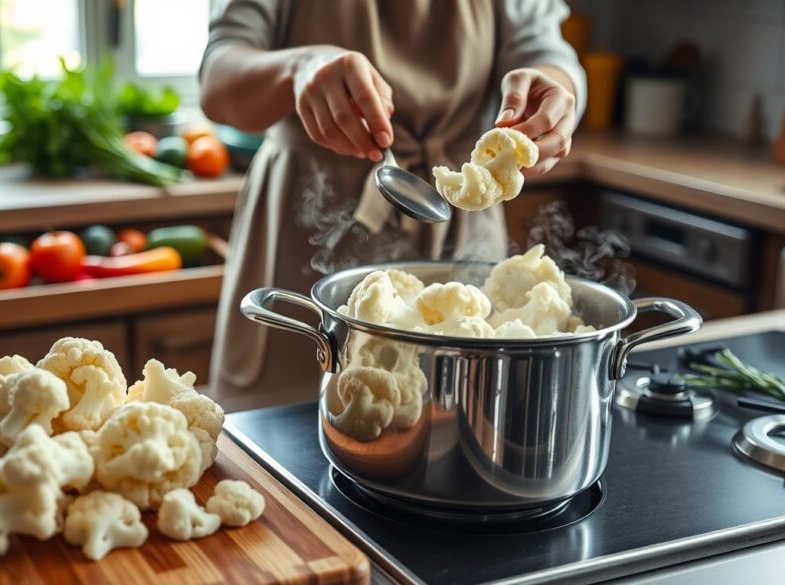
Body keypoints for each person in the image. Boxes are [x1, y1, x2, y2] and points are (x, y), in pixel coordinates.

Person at [200, 0, 586, 411]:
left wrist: (551, 93)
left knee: (461, 424)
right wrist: (298, 67)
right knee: (276, 440)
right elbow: (218, 80)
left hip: (462, 223)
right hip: (299, 228)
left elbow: (546, 51)